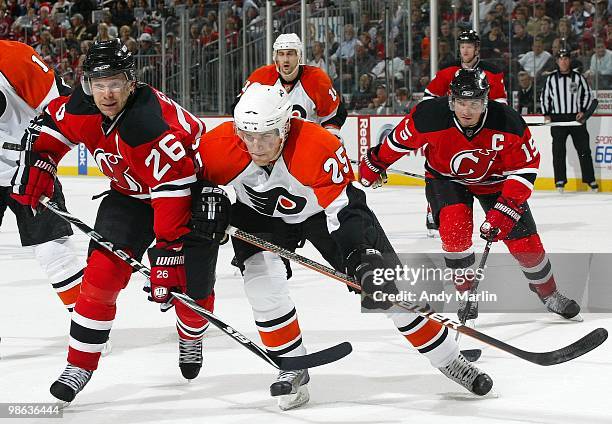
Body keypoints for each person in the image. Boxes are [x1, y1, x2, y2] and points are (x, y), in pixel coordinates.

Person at [194, 83, 494, 410]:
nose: (256, 146)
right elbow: (192, 184)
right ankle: (292, 366)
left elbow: (345, 210)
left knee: (388, 286)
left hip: (322, 215)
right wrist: (210, 201)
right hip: (258, 217)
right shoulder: (217, 145)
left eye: (266, 136)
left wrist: (360, 255)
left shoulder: (316, 146)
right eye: (247, 136)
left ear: (284, 125)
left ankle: (450, 359)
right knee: (261, 286)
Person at [10, 39, 219, 405]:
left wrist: (168, 253)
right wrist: (41, 161)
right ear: (88, 84)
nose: (106, 93)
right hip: (128, 196)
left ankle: (191, 336)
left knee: (189, 288)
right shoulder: (81, 104)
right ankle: (80, 364)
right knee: (100, 278)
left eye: (115, 82)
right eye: (98, 83)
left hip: (188, 196)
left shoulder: (149, 124)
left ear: (131, 82)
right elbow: (50, 127)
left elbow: (173, 190)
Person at [359, 69, 581, 324]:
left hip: (496, 183)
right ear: (451, 100)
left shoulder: (507, 122)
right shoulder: (430, 116)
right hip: (446, 180)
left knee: (525, 242)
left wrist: (505, 209)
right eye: (461, 103)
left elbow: (525, 168)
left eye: (474, 103)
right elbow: (397, 142)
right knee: (455, 232)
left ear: (485, 101)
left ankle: (549, 293)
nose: (467, 110)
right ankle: (466, 294)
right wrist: (375, 163)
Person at [0, 40, 84, 313]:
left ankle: (87, 327)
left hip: (28, 168)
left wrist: (42, 159)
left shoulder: (12, 57)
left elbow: (60, 108)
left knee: (54, 251)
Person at [423, 29, 508, 237]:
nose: (465, 50)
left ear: (477, 48)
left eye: (469, 46)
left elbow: (501, 104)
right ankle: (434, 210)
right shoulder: (447, 71)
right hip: (452, 131)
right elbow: (428, 98)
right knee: (440, 170)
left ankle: (495, 213)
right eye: (462, 47)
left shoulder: (492, 72)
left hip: (480, 132)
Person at [235, 33, 347, 137]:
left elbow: (335, 113)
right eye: (281, 54)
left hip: (306, 144)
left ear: (299, 56)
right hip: (270, 147)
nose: (285, 59)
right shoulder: (260, 77)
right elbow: (238, 107)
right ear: (275, 57)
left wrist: (331, 136)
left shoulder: (316, 79)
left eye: (290, 54)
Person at [541, 49, 598, 193]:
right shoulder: (551, 78)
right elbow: (545, 97)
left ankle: (590, 181)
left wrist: (583, 111)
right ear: (557, 61)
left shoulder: (578, 77)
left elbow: (587, 94)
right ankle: (560, 181)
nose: (564, 61)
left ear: (569, 61)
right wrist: (547, 114)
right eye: (561, 59)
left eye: (566, 59)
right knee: (558, 151)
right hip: (558, 119)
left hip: (576, 119)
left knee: (584, 150)